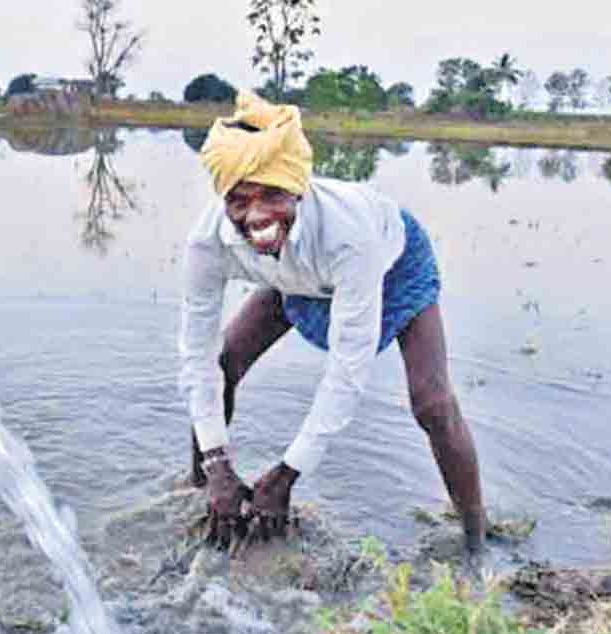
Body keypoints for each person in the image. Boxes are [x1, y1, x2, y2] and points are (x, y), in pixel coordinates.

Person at [179, 91, 486, 555]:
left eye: (272, 196)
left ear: (298, 188)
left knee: (433, 403)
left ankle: (475, 539)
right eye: (240, 202)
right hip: (294, 275)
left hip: (392, 265)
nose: (257, 216)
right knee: (223, 362)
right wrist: (217, 460)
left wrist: (287, 474)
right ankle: (205, 488)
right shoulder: (209, 243)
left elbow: (347, 370)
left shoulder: (349, 236)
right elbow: (197, 359)